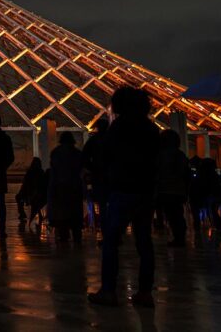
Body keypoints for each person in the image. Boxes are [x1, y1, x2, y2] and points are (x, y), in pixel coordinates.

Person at [88, 87, 161, 308]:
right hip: (145, 190)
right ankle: (145, 292)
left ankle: (109, 290)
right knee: (144, 242)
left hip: (122, 189)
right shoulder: (151, 128)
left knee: (111, 241)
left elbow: (106, 156)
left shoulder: (119, 127)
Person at [155, 130, 190, 247]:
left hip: (166, 189)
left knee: (172, 214)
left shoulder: (161, 155)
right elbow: (186, 173)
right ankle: (180, 237)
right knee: (177, 214)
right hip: (178, 190)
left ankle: (178, 238)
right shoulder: (180, 155)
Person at [48, 132, 84, 244]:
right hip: (74, 187)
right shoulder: (77, 153)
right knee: (75, 213)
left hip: (60, 187)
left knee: (62, 214)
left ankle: (64, 235)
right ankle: (77, 235)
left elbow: (53, 171)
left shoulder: (56, 153)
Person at [81, 119, 110, 233]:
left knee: (102, 205)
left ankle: (105, 231)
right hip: (113, 176)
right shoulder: (114, 139)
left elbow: (84, 158)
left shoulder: (93, 141)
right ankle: (115, 232)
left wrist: (92, 168)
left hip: (99, 176)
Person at [16, 157, 47, 229]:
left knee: (33, 200)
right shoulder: (35, 172)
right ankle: (23, 213)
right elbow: (25, 184)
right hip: (31, 193)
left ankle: (23, 213)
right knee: (19, 197)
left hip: (36, 194)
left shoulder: (35, 172)